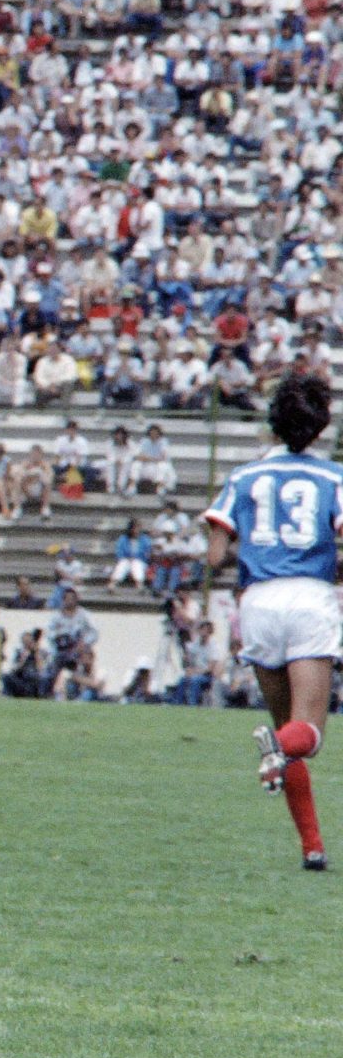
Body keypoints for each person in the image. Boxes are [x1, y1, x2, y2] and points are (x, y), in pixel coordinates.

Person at [205, 371, 343, 871]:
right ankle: (277, 747)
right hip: (309, 597)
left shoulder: (243, 477)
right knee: (308, 734)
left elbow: (216, 555)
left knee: (288, 733)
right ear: (321, 427)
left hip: (258, 602)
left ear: (273, 424)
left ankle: (312, 847)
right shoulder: (333, 477)